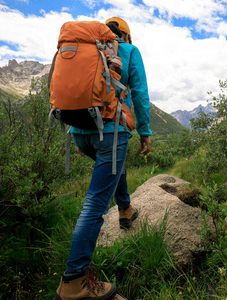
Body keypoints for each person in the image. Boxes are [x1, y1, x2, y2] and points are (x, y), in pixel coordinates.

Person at [54, 17, 152, 300]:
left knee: (113, 168)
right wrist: (144, 131)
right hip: (110, 130)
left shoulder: (88, 47)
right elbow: (141, 93)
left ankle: (125, 209)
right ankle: (73, 282)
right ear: (127, 36)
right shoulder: (129, 51)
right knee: (95, 202)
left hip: (78, 132)